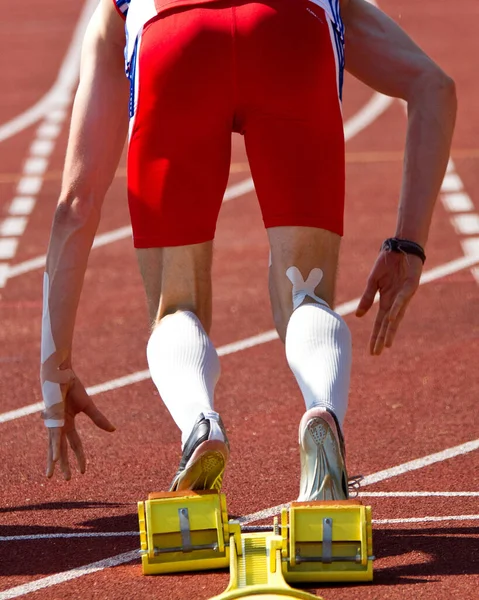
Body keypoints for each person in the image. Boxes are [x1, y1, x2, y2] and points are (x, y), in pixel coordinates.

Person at [41, 0, 456, 500]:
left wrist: (54, 367)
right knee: (306, 293)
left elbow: (74, 205)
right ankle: (323, 413)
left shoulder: (115, 11)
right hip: (288, 26)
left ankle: (201, 424)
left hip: (172, 37)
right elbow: (435, 87)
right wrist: (407, 245)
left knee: (177, 307)